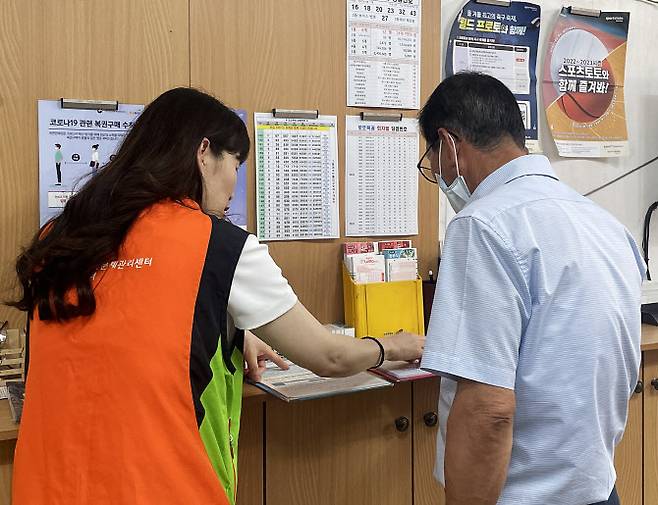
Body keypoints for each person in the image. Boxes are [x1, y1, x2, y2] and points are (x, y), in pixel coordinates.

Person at [8, 87, 424, 505]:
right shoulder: (218, 244)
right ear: (204, 152)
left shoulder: (60, 239)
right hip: (160, 487)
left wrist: (230, 330)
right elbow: (329, 357)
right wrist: (394, 345)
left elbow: (120, 330)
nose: (233, 186)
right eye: (236, 165)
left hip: (47, 486)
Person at [417, 72, 644, 505]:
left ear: (449, 145)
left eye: (433, 159)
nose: (438, 173)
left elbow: (489, 408)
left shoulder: (483, 223)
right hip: (599, 489)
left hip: (524, 495)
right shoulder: (604, 223)